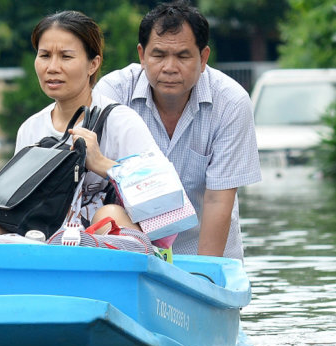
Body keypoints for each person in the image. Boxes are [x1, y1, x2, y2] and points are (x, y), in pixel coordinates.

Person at [94, 0, 261, 260]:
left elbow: (218, 200)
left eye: (183, 56)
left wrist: (205, 276)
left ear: (203, 57)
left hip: (206, 249)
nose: (169, 67)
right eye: (158, 55)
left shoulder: (231, 102)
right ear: (141, 55)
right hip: (135, 250)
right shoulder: (113, 93)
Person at [0, 10, 163, 234]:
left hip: (112, 246)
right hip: (48, 240)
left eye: (66, 57)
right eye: (44, 55)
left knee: (107, 217)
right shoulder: (30, 129)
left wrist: (102, 164)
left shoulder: (121, 122)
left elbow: (160, 196)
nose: (52, 67)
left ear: (93, 64)